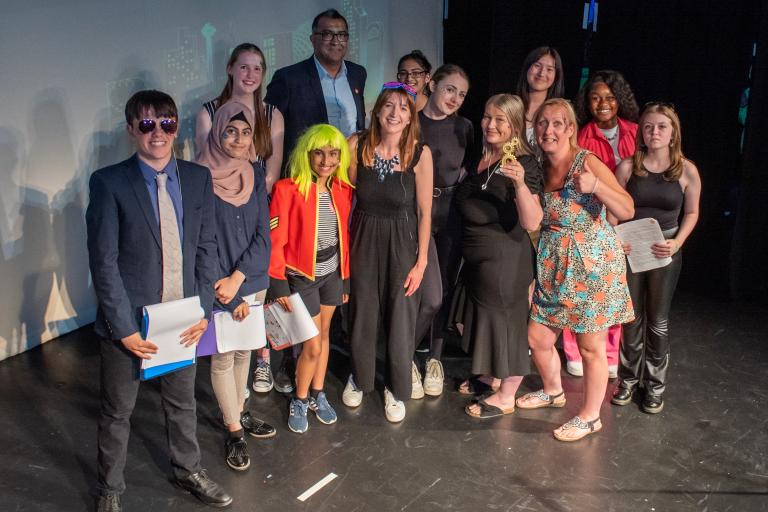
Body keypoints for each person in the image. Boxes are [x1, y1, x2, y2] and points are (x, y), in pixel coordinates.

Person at [86, 90, 231, 511]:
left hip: (182, 317)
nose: (158, 133)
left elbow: (206, 248)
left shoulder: (197, 178)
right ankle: (109, 490)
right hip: (130, 324)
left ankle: (189, 470)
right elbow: (104, 262)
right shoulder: (109, 182)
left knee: (182, 403)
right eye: (147, 124)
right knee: (118, 412)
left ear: (176, 127)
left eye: (166, 123)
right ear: (131, 129)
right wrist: (123, 329)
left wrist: (203, 309)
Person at [516, 98, 635, 442]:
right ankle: (553, 390)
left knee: (590, 347)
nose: (548, 130)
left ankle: (590, 416)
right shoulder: (538, 165)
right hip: (553, 262)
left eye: (557, 123)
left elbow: (627, 208)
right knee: (538, 337)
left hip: (591, 265)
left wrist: (596, 187)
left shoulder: (587, 161)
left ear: (570, 129)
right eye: (542, 123)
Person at [194, 42, 284, 394]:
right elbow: (209, 162)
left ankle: (262, 363)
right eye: (243, 66)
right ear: (230, 68)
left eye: (257, 68)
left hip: (255, 204)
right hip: (219, 209)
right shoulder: (209, 111)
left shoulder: (272, 113)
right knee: (227, 321)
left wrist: (250, 195)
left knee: (259, 299)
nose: (250, 74)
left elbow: (271, 171)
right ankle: (229, 386)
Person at [342, 83, 433, 423]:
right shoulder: (357, 145)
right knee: (362, 312)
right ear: (377, 111)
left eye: (403, 108)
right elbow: (346, 193)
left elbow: (424, 212)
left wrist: (421, 262)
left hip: (402, 239)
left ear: (410, 117)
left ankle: (395, 386)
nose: (395, 113)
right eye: (389, 106)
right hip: (364, 236)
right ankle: (360, 377)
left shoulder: (420, 154)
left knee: (400, 316)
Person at [196, 101, 276, 472]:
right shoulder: (198, 176)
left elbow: (263, 234)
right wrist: (225, 290)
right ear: (217, 132)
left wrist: (241, 278)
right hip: (220, 284)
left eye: (245, 132)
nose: (239, 139)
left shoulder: (254, 172)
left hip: (252, 278)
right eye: (231, 131)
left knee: (245, 349)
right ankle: (234, 432)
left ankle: (240, 411)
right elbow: (201, 241)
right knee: (223, 356)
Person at [457, 94, 543, 418]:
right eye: (487, 117)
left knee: (507, 325)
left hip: (506, 258)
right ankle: (492, 376)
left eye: (500, 120)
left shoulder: (524, 163)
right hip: (476, 260)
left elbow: (533, 221)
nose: (490, 124)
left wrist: (519, 184)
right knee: (477, 318)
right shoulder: (480, 156)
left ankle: (507, 395)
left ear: (515, 125)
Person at [611, 102, 701, 414]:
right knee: (631, 319)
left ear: (673, 132)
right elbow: (612, 210)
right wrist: (615, 238)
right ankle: (627, 381)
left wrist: (677, 243)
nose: (655, 132)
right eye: (648, 126)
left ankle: (654, 386)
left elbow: (692, 212)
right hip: (632, 250)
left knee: (658, 321)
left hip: (664, 251)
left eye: (662, 126)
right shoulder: (627, 167)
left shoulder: (686, 170)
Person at [267, 124, 354, 434]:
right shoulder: (287, 189)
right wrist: (277, 283)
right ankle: (301, 398)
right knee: (313, 346)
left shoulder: (342, 189)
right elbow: (275, 242)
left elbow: (343, 239)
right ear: (307, 154)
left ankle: (318, 393)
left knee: (325, 336)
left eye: (333, 153)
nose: (326, 160)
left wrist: (345, 278)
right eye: (319, 153)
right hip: (302, 277)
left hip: (332, 274)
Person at [562, 70, 640, 378]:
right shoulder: (581, 136)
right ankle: (573, 350)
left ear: (620, 100)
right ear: (586, 102)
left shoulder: (636, 132)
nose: (603, 103)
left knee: (613, 289)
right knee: (580, 287)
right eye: (595, 98)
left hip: (626, 214)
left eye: (609, 97)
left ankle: (609, 351)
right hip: (590, 218)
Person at [411, 64, 473, 398]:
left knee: (444, 288)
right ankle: (405, 354)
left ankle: (434, 358)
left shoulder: (464, 127)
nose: (455, 98)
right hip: (415, 214)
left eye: (461, 94)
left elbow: (471, 167)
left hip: (450, 216)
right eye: (450, 89)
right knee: (418, 288)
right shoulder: (411, 122)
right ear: (432, 85)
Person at [265, 8, 367, 169]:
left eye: (342, 35)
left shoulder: (357, 73)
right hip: (307, 173)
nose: (335, 41)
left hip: (350, 171)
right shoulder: (288, 78)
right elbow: (267, 129)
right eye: (327, 34)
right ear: (312, 39)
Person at [516, 46, 565, 146]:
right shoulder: (510, 107)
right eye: (537, 66)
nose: (542, 73)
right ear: (527, 68)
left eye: (549, 69)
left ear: (556, 76)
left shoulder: (562, 113)